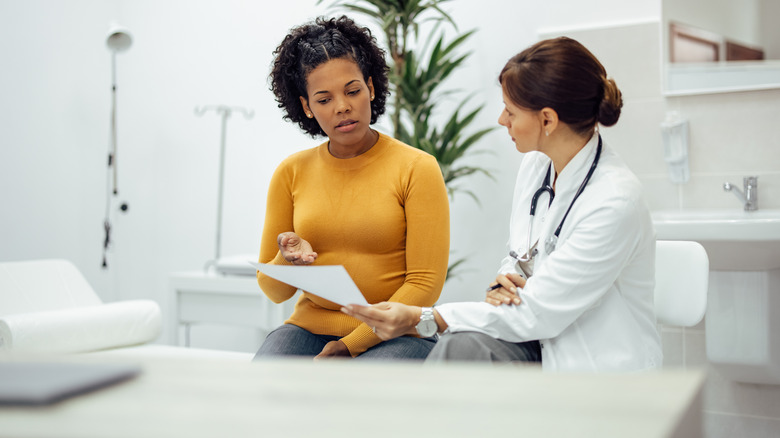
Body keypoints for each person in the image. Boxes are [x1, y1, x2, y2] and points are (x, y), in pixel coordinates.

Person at [342, 37, 663, 372]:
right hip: (538, 341)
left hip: (594, 363)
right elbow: (519, 257)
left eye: (510, 111)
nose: (501, 120)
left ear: (548, 120)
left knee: (459, 349)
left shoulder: (614, 201)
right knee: (461, 346)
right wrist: (505, 280)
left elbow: (539, 311)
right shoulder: (537, 166)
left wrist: (423, 318)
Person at [254, 16, 450, 361]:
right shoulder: (291, 172)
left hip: (397, 332)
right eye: (324, 98)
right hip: (310, 327)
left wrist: (350, 345)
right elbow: (273, 290)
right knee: (268, 384)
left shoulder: (417, 168)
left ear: (371, 88)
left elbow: (424, 285)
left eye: (353, 90)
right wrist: (287, 260)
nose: (342, 106)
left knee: (358, 397)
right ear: (306, 107)